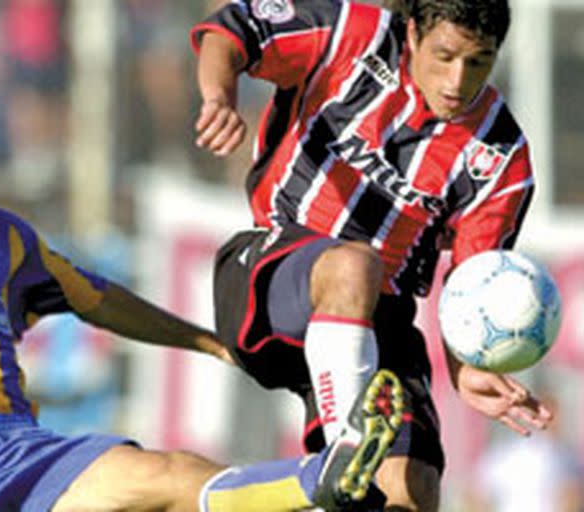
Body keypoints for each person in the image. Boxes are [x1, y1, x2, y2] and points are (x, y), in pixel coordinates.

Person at [0, 70, 405, 511]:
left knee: (174, 474)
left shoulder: (4, 239)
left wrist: (202, 340)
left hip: (24, 449)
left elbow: (96, 299)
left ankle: (328, 479)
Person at [191, 0, 554, 510]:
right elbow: (232, 30)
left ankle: (340, 465)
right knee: (355, 265)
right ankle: (345, 447)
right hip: (269, 272)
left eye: (478, 63)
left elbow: (470, 282)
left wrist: (465, 366)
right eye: (444, 56)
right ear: (411, 35)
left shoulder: (500, 155)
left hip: (380, 322)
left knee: (413, 490)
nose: (457, 80)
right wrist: (219, 96)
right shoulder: (349, 35)